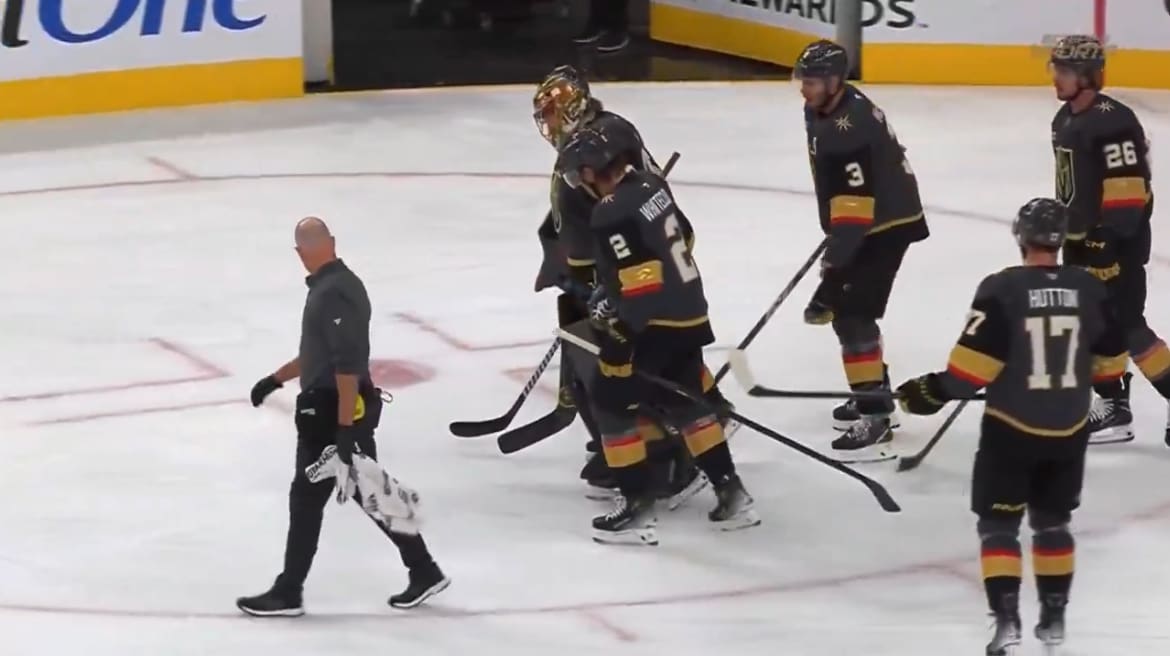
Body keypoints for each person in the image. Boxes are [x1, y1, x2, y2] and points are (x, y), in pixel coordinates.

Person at [896, 199, 1139, 654]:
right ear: (1061, 239)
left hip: (1011, 429)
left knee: (998, 525)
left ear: (1020, 236)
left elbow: (968, 375)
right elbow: (1111, 367)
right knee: (1052, 524)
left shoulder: (1001, 289)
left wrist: (926, 392)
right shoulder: (1089, 288)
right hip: (1069, 430)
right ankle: (1054, 619)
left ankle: (1007, 620)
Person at [532, 65, 730, 505]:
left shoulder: (597, 149)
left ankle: (657, 454)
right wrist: (555, 251)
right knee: (663, 357)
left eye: (551, 113)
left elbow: (598, 224)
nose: (546, 124)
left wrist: (584, 277)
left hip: (633, 268)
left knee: (617, 366)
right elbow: (573, 217)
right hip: (646, 256)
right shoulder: (602, 137)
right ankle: (700, 414)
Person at [237, 217, 449, 616]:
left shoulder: (335, 292)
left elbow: (347, 363)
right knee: (366, 490)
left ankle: (289, 591)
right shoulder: (328, 288)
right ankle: (423, 569)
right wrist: (275, 379)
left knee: (308, 497)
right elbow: (319, 354)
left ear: (301, 253)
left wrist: (345, 429)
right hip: (334, 407)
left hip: (333, 410)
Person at [557, 126, 759, 545]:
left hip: (654, 323)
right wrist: (614, 287)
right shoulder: (651, 185)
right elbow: (683, 237)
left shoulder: (610, 211)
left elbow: (642, 284)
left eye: (581, 175)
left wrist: (620, 340)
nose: (580, 184)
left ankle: (638, 510)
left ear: (595, 171)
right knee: (686, 403)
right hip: (690, 312)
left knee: (610, 402)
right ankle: (732, 494)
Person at [795, 39, 930, 454]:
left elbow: (857, 208)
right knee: (845, 312)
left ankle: (875, 414)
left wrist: (836, 257)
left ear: (836, 81)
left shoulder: (848, 127)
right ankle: (873, 391)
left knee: (853, 315)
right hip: (867, 220)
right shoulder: (826, 110)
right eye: (803, 79)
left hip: (885, 225)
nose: (805, 89)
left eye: (814, 81)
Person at [1047, 34, 1170, 445]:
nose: (1056, 78)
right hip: (1082, 240)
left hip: (1117, 244)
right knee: (1096, 327)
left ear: (1087, 76)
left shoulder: (1112, 120)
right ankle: (1114, 408)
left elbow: (1129, 189)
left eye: (1064, 71)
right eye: (1056, 68)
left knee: (1130, 327)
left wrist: (1108, 239)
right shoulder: (1064, 119)